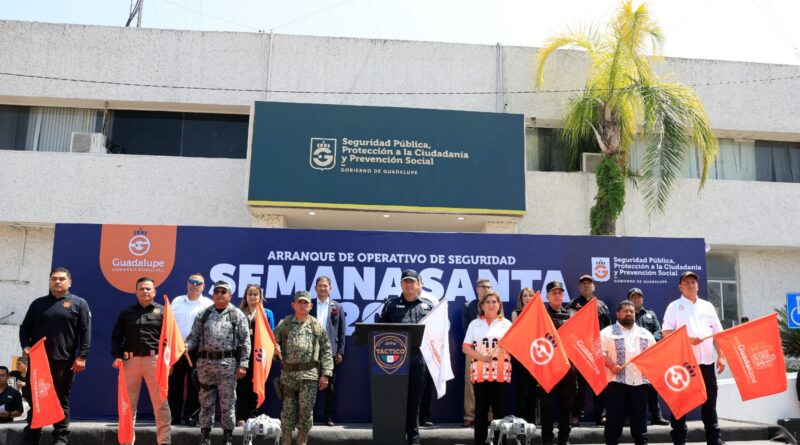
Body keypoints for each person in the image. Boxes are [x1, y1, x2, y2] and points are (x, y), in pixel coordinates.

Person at [19, 267, 91, 445]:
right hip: (38, 362)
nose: (57, 282)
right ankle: (31, 439)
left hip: (64, 361)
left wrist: (82, 356)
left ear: (69, 282)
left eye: (61, 279)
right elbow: (25, 328)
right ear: (50, 281)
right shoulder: (38, 304)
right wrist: (26, 346)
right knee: (36, 400)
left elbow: (85, 331)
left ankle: (60, 439)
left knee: (60, 400)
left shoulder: (79, 303)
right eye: (54, 279)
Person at [662, 271, 725, 445]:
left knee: (710, 401)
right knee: (682, 402)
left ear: (698, 285)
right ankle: (679, 439)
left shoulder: (708, 306)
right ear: (680, 287)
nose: (690, 285)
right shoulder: (674, 306)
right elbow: (666, 333)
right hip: (684, 363)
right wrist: (687, 339)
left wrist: (721, 356)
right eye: (686, 282)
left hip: (707, 362)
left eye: (693, 282)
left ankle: (714, 438)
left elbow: (717, 334)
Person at [185, 281, 251, 445]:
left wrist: (243, 364)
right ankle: (205, 437)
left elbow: (245, 341)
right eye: (217, 292)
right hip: (205, 365)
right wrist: (186, 346)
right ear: (213, 295)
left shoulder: (237, 315)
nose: (220, 294)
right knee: (206, 403)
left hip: (227, 365)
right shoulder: (203, 314)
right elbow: (194, 338)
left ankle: (227, 438)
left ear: (229, 295)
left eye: (223, 292)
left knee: (228, 404)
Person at [110, 277, 172, 445]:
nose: (145, 291)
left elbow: (171, 338)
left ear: (154, 292)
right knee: (127, 405)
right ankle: (126, 441)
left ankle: (164, 441)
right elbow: (116, 337)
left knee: (161, 404)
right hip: (130, 362)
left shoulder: (164, 311)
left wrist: (169, 362)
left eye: (148, 288)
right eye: (141, 288)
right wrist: (116, 356)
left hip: (155, 362)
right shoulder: (126, 313)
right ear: (135, 292)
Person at [380, 269, 434, 445]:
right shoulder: (391, 305)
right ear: (401, 284)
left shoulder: (428, 306)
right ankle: (394, 438)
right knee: (395, 401)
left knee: (414, 402)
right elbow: (379, 333)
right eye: (406, 281)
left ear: (419, 285)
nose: (409, 285)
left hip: (419, 359)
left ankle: (414, 440)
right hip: (394, 361)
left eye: (412, 281)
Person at [274, 291, 334, 445]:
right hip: (288, 375)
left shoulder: (316, 325)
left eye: (305, 303)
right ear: (293, 305)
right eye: (299, 302)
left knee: (306, 413)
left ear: (311, 306)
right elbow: (272, 345)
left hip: (309, 375)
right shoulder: (284, 324)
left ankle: (302, 442)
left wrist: (326, 374)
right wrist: (275, 351)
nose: (302, 305)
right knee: (287, 413)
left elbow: (326, 350)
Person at [601, 300, 656, 445]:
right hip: (615, 384)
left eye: (631, 311)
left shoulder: (646, 334)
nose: (629, 313)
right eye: (625, 311)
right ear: (617, 314)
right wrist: (611, 365)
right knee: (614, 422)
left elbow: (655, 354)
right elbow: (599, 353)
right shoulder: (607, 332)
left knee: (640, 423)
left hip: (640, 384)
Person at [462, 291, 512, 445]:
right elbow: (465, 348)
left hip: (501, 374)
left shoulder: (507, 324)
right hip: (480, 375)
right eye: (488, 302)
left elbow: (515, 347)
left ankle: (500, 442)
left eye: (494, 302)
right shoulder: (474, 324)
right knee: (481, 412)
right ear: (482, 306)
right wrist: (482, 357)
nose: (491, 305)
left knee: (500, 412)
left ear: (499, 305)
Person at [168, 273, 213, 426]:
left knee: (195, 385)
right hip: (177, 349)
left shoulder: (208, 304)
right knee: (175, 384)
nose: (194, 284)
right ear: (187, 283)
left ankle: (191, 417)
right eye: (192, 281)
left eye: (198, 283)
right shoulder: (176, 301)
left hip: (198, 351)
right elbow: (169, 324)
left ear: (203, 287)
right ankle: (173, 416)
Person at [569, 274, 611, 426]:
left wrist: (606, 350)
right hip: (580, 350)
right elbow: (569, 329)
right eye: (583, 283)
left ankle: (601, 415)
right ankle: (576, 415)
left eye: (589, 283)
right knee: (579, 387)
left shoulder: (602, 305)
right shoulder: (573, 305)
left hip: (597, 350)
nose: (586, 285)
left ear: (594, 287)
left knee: (599, 384)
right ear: (579, 287)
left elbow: (608, 329)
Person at [538, 280, 577, 445]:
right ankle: (547, 440)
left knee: (566, 407)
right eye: (553, 293)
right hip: (547, 369)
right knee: (546, 407)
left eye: (560, 292)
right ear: (547, 296)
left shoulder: (572, 315)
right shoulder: (540, 316)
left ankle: (564, 440)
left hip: (568, 369)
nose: (557, 295)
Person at [627, 287, 669, 426]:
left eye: (638, 297)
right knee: (632, 387)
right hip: (632, 357)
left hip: (650, 355)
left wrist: (647, 340)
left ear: (642, 299)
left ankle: (656, 416)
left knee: (653, 386)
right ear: (629, 300)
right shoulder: (626, 314)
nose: (636, 299)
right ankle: (631, 417)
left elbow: (659, 331)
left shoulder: (650, 314)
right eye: (633, 297)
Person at [236, 284, 275, 426]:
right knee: (241, 387)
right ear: (245, 297)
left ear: (260, 297)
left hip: (259, 356)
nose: (252, 297)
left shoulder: (267, 313)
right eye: (250, 294)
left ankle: (253, 417)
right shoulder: (238, 313)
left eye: (255, 294)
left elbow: (271, 335)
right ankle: (241, 417)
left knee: (256, 385)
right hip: (241, 356)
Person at [312, 276, 345, 427]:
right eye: (320, 286)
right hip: (310, 351)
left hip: (330, 352)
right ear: (315, 288)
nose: (323, 288)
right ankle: (307, 416)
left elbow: (342, 332)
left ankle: (329, 416)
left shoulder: (337, 307)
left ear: (330, 288)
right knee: (309, 384)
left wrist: (340, 352)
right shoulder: (309, 305)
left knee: (330, 386)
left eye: (325, 286)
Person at [461, 277, 492, 428]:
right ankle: (469, 416)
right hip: (473, 350)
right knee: (470, 383)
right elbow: (465, 328)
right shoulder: (469, 306)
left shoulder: (494, 305)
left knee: (491, 383)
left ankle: (490, 416)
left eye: (489, 287)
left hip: (491, 351)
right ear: (477, 289)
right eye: (483, 286)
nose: (487, 289)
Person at [511, 288, 537, 424]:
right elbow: (517, 332)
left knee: (532, 389)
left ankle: (531, 420)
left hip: (535, 356)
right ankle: (520, 420)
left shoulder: (539, 313)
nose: (528, 298)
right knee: (521, 389)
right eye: (525, 296)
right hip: (520, 356)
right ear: (521, 299)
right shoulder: (516, 313)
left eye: (530, 296)